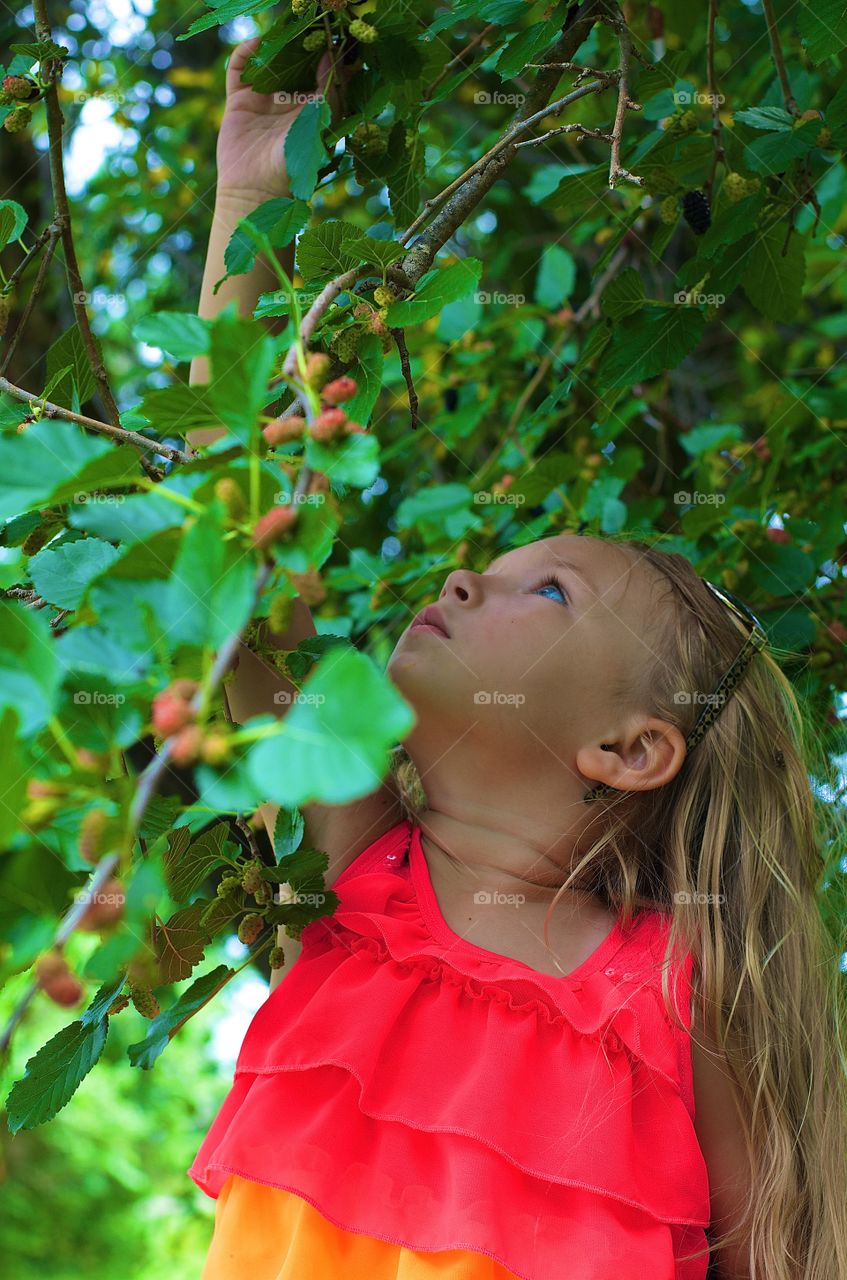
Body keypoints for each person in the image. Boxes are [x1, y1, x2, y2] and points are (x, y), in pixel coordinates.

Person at [185, 39, 847, 1280]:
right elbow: (228, 567)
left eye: (545, 586)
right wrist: (247, 213)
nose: (459, 577)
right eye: (486, 565)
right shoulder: (352, 867)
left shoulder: (673, 995)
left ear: (632, 746)